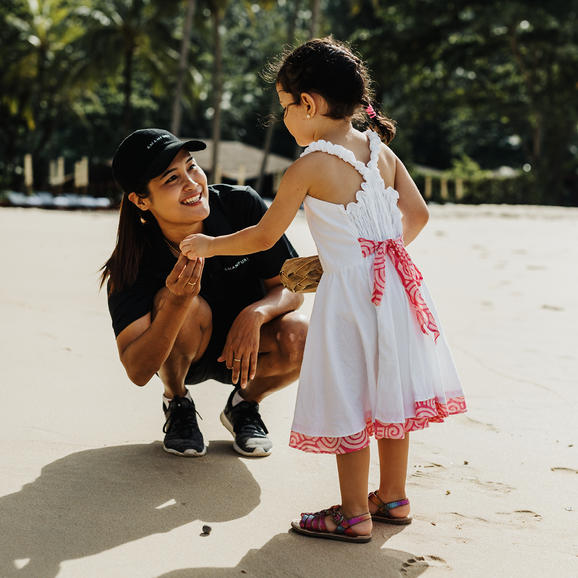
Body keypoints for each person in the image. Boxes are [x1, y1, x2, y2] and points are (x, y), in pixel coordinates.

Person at [179, 37, 467, 543]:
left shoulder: (310, 165)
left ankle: (354, 512)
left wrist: (206, 244)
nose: (285, 118)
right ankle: (394, 498)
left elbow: (264, 236)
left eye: (285, 107)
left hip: (352, 299)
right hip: (397, 287)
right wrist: (375, 253)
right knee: (389, 393)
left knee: (351, 394)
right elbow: (417, 217)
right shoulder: (381, 151)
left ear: (308, 104)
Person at [100, 128, 307, 459]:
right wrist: (177, 303)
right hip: (182, 356)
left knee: (301, 334)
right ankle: (177, 401)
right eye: (171, 179)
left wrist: (256, 314)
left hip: (248, 353)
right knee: (185, 306)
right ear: (141, 200)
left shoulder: (240, 206)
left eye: (191, 166)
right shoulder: (131, 262)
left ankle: (244, 404)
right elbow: (138, 371)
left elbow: (293, 285)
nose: (192, 183)